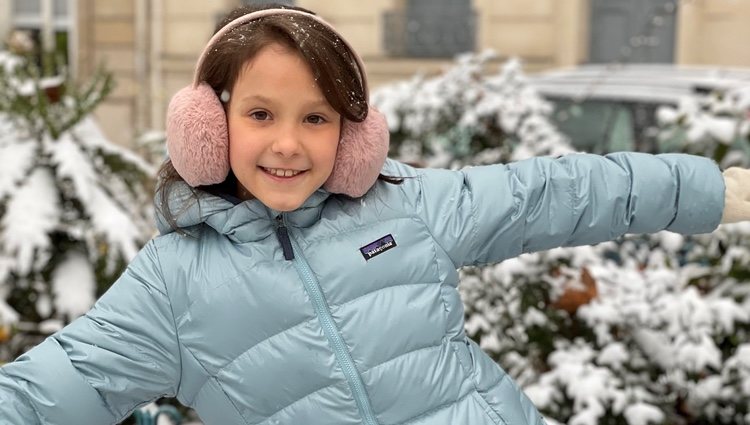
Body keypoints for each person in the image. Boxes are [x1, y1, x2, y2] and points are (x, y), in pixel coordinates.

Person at [1, 3, 749, 425]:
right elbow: (57, 388)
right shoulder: (173, 283)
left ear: (353, 134)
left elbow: (554, 192)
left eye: (318, 118)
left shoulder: (406, 204)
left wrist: (702, 189)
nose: (289, 144)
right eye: (260, 113)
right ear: (207, 126)